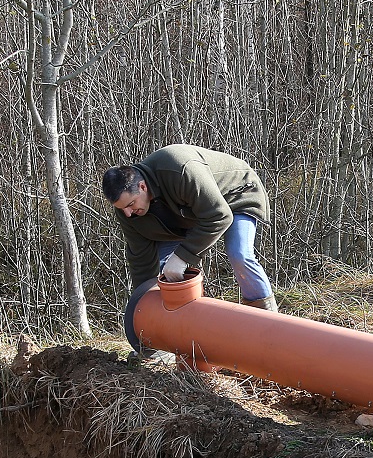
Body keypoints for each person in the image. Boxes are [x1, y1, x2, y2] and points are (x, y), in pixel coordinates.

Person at [102, 145, 277, 345]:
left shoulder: (178, 168)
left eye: (131, 204)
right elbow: (140, 258)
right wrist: (144, 308)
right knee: (167, 274)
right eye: (122, 208)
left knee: (239, 255)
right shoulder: (127, 211)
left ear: (142, 187)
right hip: (186, 217)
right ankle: (183, 336)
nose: (128, 213)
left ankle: (268, 322)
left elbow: (219, 216)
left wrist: (183, 257)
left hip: (235, 197)